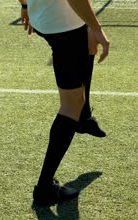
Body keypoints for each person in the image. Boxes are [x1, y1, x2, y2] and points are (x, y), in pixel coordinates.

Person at [17, 0, 110, 206]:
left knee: (87, 41)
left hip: (45, 16)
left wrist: (25, 6)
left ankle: (84, 118)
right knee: (71, 105)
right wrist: (97, 28)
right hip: (63, 26)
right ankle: (45, 188)